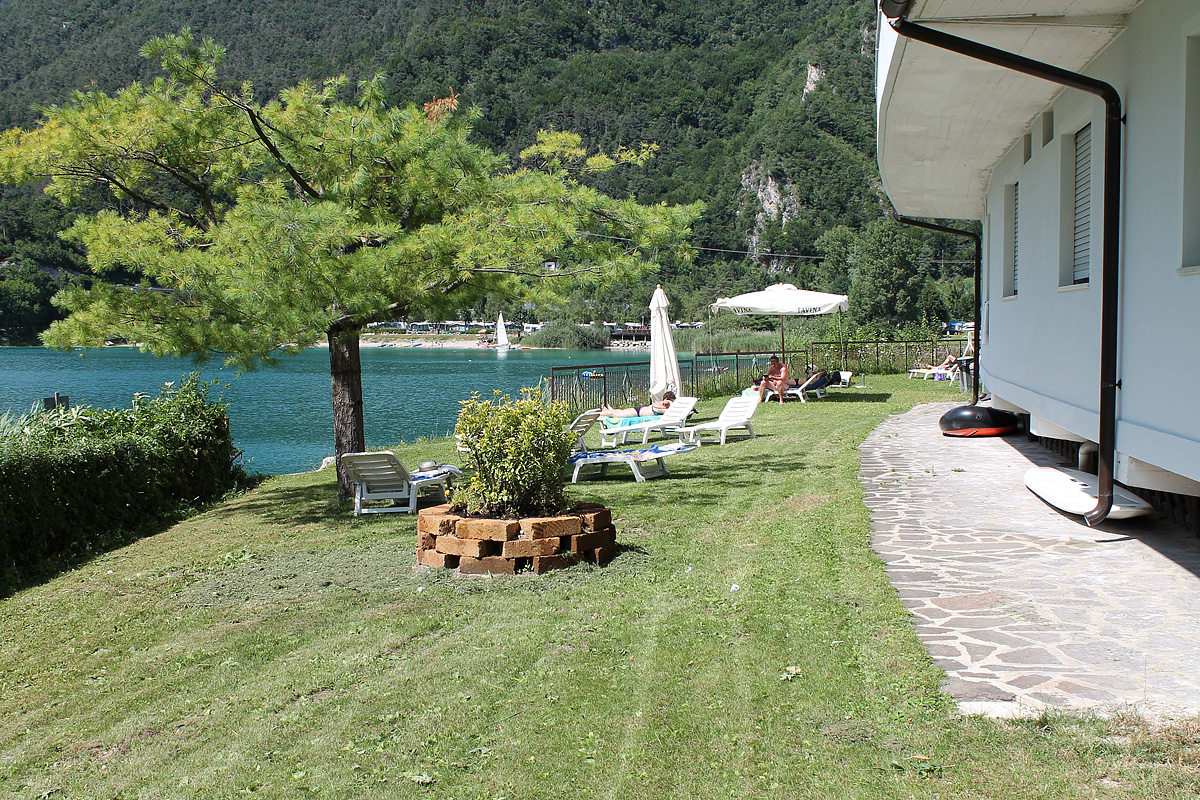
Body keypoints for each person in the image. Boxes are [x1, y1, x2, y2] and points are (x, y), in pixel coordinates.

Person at [601, 390, 675, 418]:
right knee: (615, 415)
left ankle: (610, 410)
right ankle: (601, 414)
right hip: (637, 412)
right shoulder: (661, 407)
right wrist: (670, 403)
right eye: (671, 401)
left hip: (640, 409)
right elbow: (671, 412)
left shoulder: (660, 404)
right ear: (666, 400)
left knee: (621, 411)